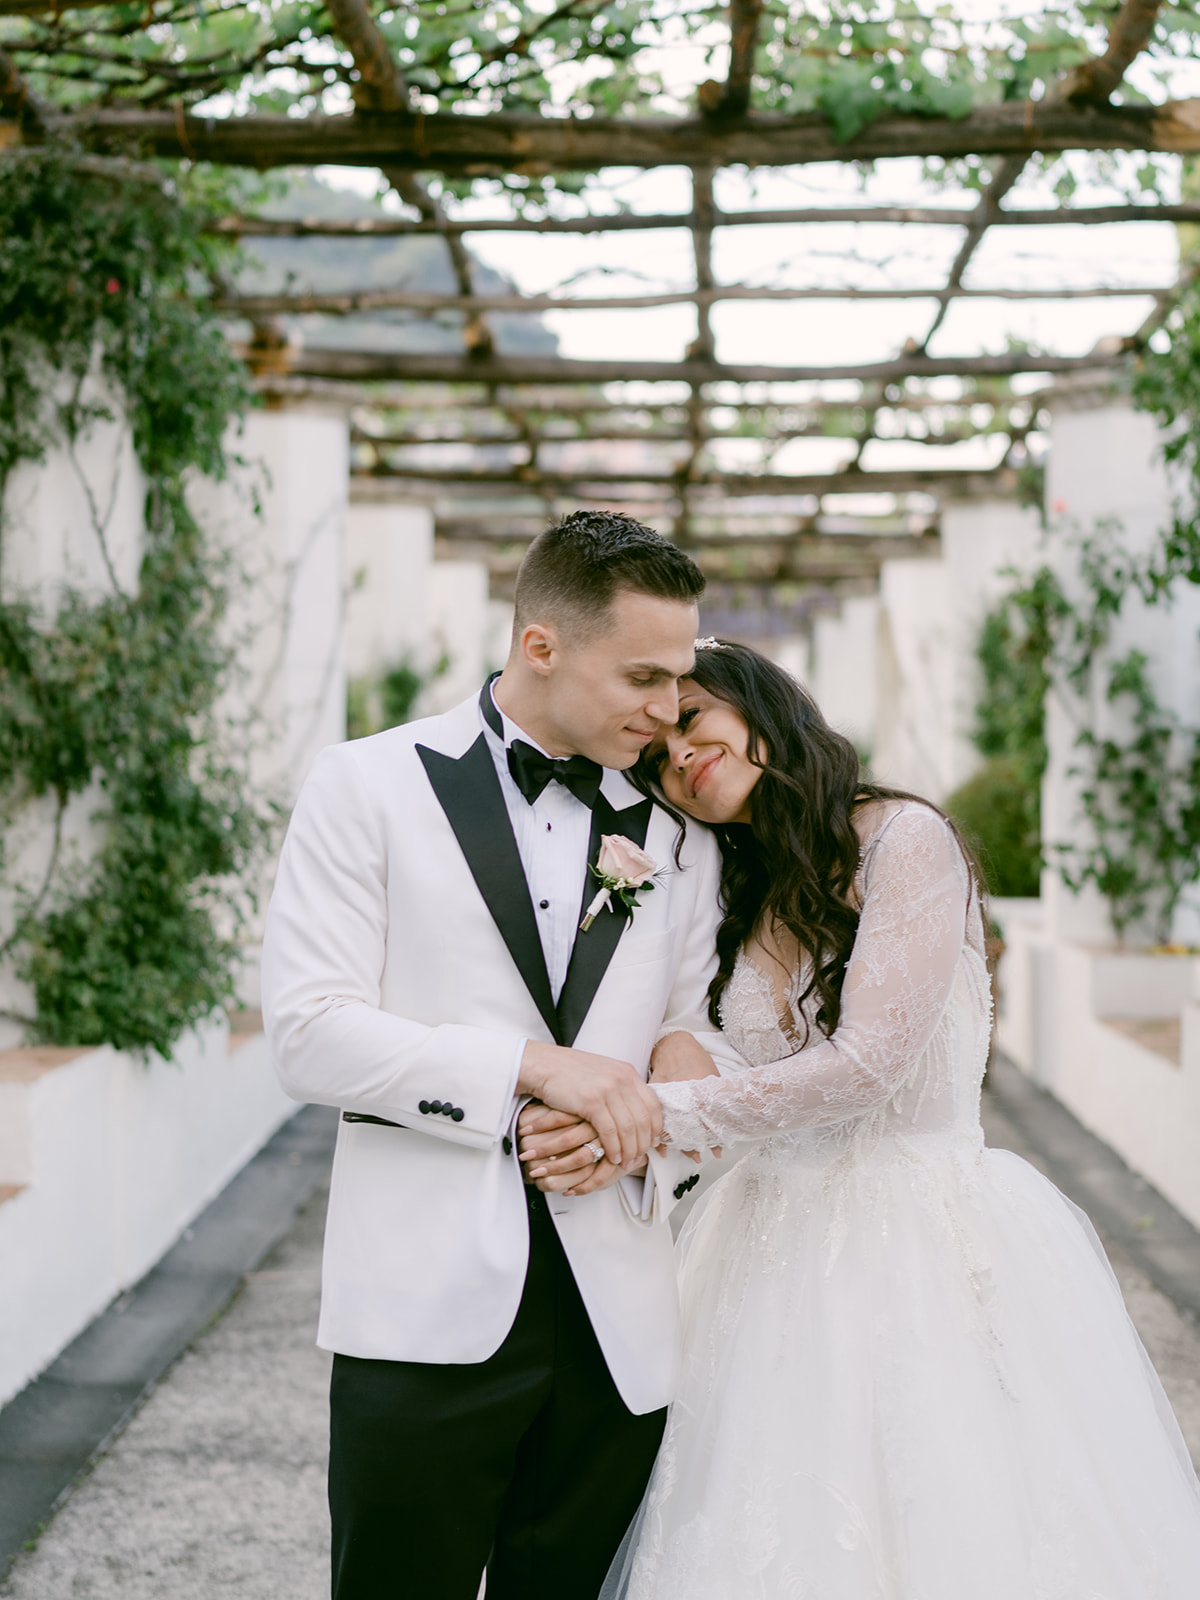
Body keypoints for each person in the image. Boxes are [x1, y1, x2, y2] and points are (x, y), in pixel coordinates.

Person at [521, 637, 1200, 1599]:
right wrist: (650, 1076)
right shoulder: (737, 877)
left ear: (760, 708)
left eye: (693, 722)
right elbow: (735, 1049)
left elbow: (866, 1067)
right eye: (661, 759)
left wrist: (648, 1113)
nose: (680, 757)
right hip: (766, 1243)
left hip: (919, 1229)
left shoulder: (902, 841)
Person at [260, 512, 742, 1600]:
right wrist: (532, 1065)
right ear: (541, 646)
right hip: (420, 1308)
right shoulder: (366, 787)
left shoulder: (679, 837)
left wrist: (657, 1102)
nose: (671, 710)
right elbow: (307, 1028)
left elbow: (708, 1029)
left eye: (681, 677)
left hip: (620, 1317)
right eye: (645, 676)